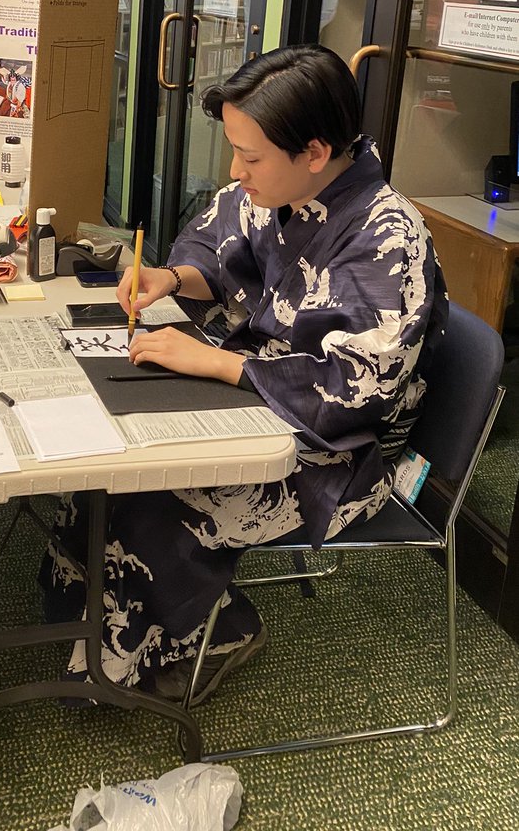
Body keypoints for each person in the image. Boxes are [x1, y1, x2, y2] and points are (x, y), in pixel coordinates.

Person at [40, 44, 447, 706]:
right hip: (252, 394)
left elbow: (357, 391)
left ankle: (211, 634)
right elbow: (217, 253)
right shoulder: (276, 189)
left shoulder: (389, 238)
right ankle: (99, 627)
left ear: (315, 151)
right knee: (101, 462)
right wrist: (171, 276)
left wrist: (220, 362)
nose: (235, 171)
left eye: (250, 156)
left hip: (332, 456)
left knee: (153, 496)